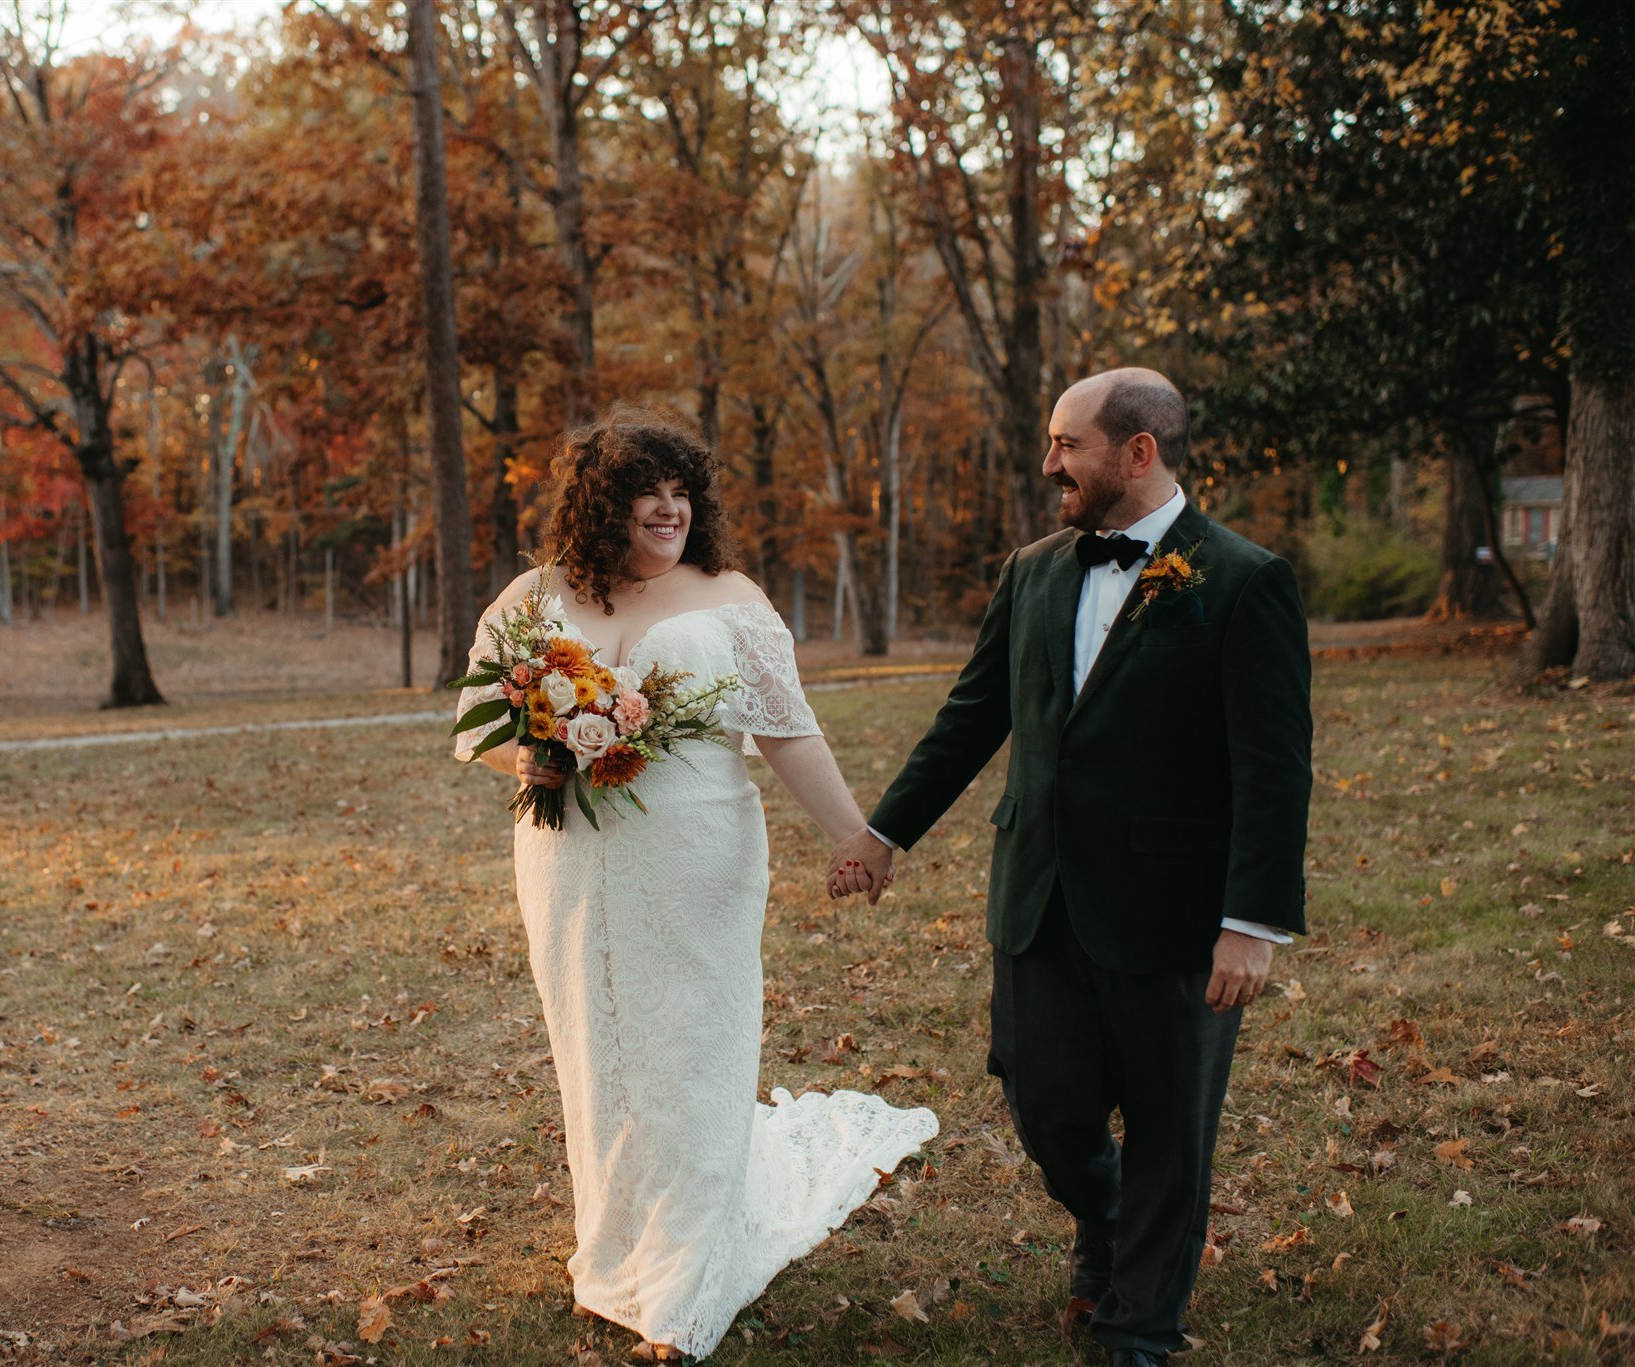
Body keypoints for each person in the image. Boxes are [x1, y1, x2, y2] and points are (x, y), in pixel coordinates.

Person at [825, 368, 1312, 1367]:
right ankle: (1107, 1215)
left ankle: (1138, 1321)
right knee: (1047, 1108)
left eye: (1066, 444)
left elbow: (1272, 769)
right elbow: (972, 716)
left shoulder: (1244, 578)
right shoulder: (1036, 568)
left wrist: (1251, 922)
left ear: (1136, 453)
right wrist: (883, 834)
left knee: (1172, 1129)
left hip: (1171, 909)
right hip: (1037, 896)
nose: (1048, 461)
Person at [453, 405, 938, 1362]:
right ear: (603, 506)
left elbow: (788, 730)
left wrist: (856, 835)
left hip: (698, 857)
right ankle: (618, 1239)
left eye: (681, 493)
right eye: (647, 494)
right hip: (570, 864)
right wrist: (532, 759)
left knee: (692, 1046)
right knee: (599, 1050)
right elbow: (477, 721)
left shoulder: (730, 596)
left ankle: (685, 1279)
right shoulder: (534, 597)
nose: (669, 510)